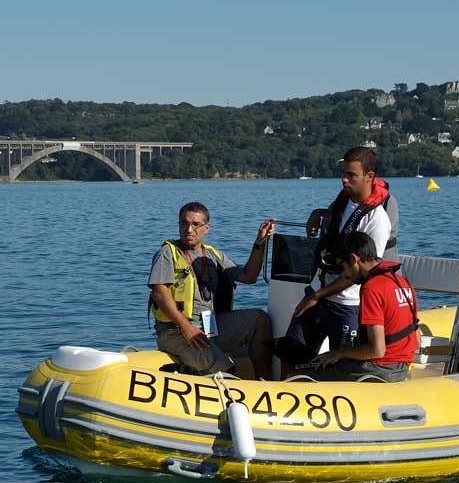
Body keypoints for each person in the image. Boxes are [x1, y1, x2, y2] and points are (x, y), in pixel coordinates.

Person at [276, 147, 398, 368]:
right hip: (318, 293)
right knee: (291, 355)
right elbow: (338, 224)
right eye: (343, 173)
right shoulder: (342, 201)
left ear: (369, 176)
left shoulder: (377, 220)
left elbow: (361, 272)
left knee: (337, 366)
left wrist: (316, 295)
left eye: (351, 175)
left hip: (347, 305)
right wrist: (319, 213)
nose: (344, 179)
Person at [148, 202, 277, 376]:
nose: (189, 229)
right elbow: (159, 293)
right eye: (184, 223)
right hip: (176, 331)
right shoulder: (168, 253)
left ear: (206, 228)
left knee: (260, 320)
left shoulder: (213, 254)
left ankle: (265, 383)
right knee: (226, 368)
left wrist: (260, 242)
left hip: (210, 325)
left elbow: (249, 276)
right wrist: (187, 328)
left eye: (195, 224)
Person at [301, 231, 420, 382]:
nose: (345, 275)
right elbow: (416, 338)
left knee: (298, 377)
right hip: (401, 367)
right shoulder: (402, 281)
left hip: (380, 369)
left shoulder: (372, 288)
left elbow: (377, 350)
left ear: (353, 259)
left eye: (343, 267)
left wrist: (338, 353)